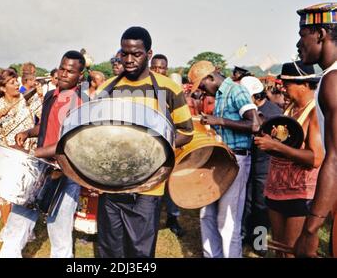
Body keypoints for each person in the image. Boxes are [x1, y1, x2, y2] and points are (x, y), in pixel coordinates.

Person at [95, 27, 194, 258]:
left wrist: (153, 150)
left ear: (149, 54)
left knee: (139, 252)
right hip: (111, 183)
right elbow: (95, 134)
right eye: (124, 53)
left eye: (136, 54)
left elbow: (186, 132)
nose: (129, 60)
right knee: (110, 250)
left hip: (148, 186)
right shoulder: (106, 88)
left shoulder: (168, 88)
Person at [0, 51, 85, 258]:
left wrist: (32, 152)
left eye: (70, 71)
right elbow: (45, 125)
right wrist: (28, 132)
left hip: (66, 172)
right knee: (18, 219)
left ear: (80, 76)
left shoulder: (80, 102)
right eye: (62, 69)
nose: (64, 74)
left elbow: (68, 143)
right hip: (39, 168)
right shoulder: (50, 95)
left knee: (59, 227)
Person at [188, 60, 261, 258]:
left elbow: (254, 125)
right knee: (207, 214)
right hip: (219, 159)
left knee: (227, 220)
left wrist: (218, 121)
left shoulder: (236, 91)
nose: (202, 91)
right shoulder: (219, 95)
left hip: (236, 160)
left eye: (203, 86)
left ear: (210, 78)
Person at [255, 62, 324, 257]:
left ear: (303, 84)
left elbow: (316, 158)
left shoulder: (314, 113)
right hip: (276, 190)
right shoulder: (290, 108)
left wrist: (275, 146)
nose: (282, 89)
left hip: (300, 194)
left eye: (286, 84)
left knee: (293, 251)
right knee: (279, 250)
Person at [293, 3, 337, 257]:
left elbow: (335, 156)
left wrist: (310, 229)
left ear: (319, 34)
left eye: (302, 35)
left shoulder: (332, 80)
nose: (299, 44)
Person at [0, 68, 42, 243]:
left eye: (16, 81)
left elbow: (44, 118)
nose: (17, 85)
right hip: (5, 154)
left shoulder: (28, 99)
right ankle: (8, 228)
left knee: (26, 193)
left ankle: (26, 229)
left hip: (28, 153)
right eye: (12, 82)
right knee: (5, 195)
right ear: (2, 87)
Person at [240, 76, 283, 252]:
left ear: (255, 97)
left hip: (265, 166)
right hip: (249, 162)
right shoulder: (247, 109)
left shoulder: (273, 113)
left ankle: (258, 242)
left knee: (260, 205)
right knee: (246, 202)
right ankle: (244, 236)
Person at [150, 53, 186, 237]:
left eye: (161, 68)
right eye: (154, 67)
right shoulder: (146, 90)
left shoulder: (174, 91)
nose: (158, 71)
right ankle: (151, 220)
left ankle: (173, 219)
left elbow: (184, 123)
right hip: (149, 147)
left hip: (172, 145)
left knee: (172, 184)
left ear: (166, 69)